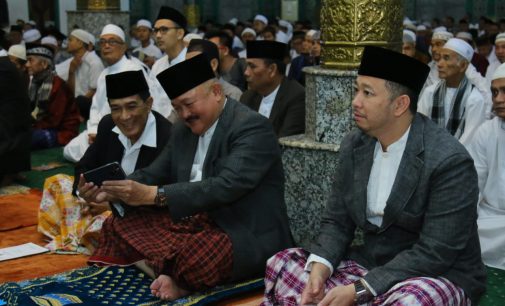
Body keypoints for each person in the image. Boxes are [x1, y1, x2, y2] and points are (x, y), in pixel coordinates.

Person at [261, 45, 487, 306]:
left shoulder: (448, 160)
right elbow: (337, 221)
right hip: (370, 263)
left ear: (400, 104)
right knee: (283, 263)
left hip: (434, 274)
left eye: (367, 93)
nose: (355, 101)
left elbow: (436, 251)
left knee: (412, 302)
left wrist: (359, 289)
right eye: (357, 90)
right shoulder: (355, 145)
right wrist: (321, 267)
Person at [78, 54, 293, 300]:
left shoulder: (252, 127)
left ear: (216, 92)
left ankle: (173, 272)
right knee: (118, 222)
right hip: (193, 222)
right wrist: (112, 189)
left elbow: (225, 186)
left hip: (241, 229)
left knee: (195, 257)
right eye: (177, 107)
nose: (184, 114)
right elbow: (156, 172)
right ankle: (171, 269)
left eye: (188, 104)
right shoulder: (183, 128)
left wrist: (153, 195)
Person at [38, 70, 172, 254]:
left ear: (148, 104)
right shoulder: (109, 124)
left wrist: (113, 205)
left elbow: (164, 195)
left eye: (131, 106)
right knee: (57, 184)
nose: (124, 116)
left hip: (138, 213)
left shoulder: (167, 136)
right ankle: (82, 237)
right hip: (98, 201)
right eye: (116, 108)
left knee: (112, 225)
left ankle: (82, 237)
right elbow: (84, 166)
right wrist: (85, 191)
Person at [63, 24, 150, 162]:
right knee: (70, 149)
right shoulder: (104, 73)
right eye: (103, 42)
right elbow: (96, 107)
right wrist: (93, 130)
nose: (106, 46)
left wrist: (103, 132)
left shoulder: (133, 69)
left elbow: (139, 109)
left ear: (124, 46)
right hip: (101, 130)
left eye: (112, 41)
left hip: (127, 129)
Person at [466, 63, 505, 270]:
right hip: (489, 219)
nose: (498, 99)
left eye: (504, 91)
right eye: (495, 92)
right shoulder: (486, 131)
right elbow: (475, 183)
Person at [418, 38, 489, 144]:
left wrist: (448, 155)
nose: (439, 64)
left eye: (446, 58)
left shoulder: (475, 99)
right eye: (440, 58)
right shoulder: (430, 92)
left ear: (463, 66)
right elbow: (420, 127)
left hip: (460, 157)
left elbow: (470, 139)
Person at [241, 40, 305, 138]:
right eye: (247, 66)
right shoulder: (247, 97)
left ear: (272, 70)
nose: (246, 72)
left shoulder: (296, 97)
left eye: (252, 66)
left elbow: (285, 143)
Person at [26, 43, 80, 149]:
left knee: (24, 138)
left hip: (61, 132)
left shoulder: (57, 85)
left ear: (44, 64)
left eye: (30, 60)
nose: (27, 65)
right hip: (41, 127)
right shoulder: (35, 82)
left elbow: (54, 121)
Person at [56, 29, 105, 121]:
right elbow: (71, 91)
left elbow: (94, 91)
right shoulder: (73, 61)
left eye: (71, 40)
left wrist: (74, 107)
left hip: (90, 107)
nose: (68, 43)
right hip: (76, 104)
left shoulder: (94, 62)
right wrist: (71, 72)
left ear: (80, 43)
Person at [149, 6, 188, 122]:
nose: (158, 35)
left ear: (180, 33)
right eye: (156, 30)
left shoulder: (190, 62)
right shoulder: (158, 65)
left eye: (164, 30)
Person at [0, 56, 31, 186]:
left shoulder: (4, 68)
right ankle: (11, 171)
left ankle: (8, 173)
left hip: (11, 107)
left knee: (8, 130)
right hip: (13, 106)